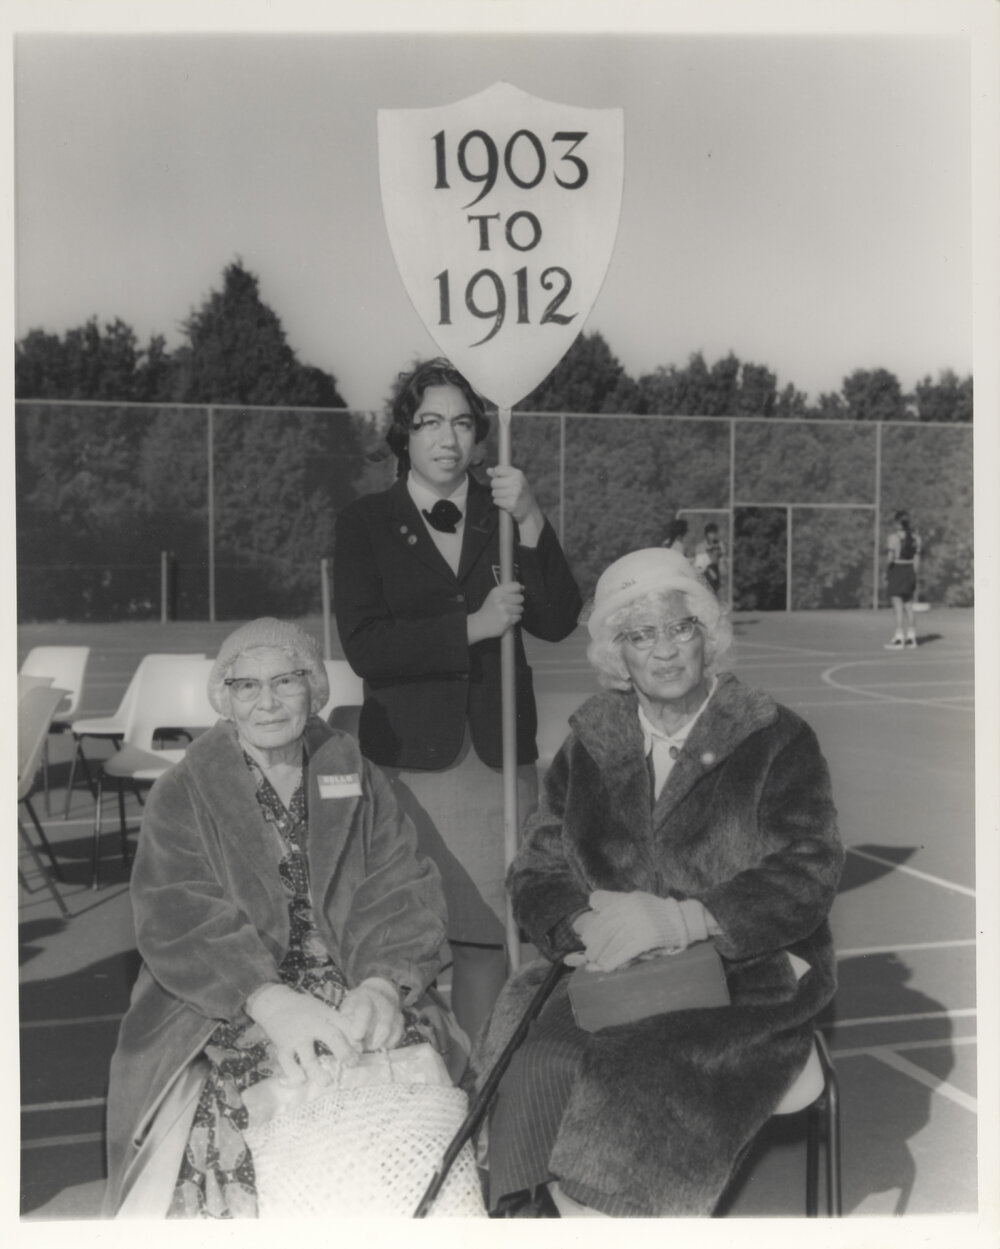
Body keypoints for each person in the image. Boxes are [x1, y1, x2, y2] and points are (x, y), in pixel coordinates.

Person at [476, 548, 844, 1217]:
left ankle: (596, 1214)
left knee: (631, 1076)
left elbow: (808, 870)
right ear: (618, 654)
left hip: (747, 973)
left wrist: (683, 921)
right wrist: (582, 925)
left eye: (681, 628)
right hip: (609, 970)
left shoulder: (773, 736)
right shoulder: (591, 740)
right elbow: (536, 867)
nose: (666, 651)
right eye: (642, 635)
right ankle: (518, 1211)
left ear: (709, 635)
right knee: (530, 1061)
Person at [103, 618, 457, 1218]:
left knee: (405, 1067)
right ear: (226, 698)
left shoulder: (354, 773)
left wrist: (380, 985)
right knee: (254, 1081)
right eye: (246, 686)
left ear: (313, 690)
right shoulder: (184, 790)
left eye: (286, 682)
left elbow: (399, 885)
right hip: (223, 994)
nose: (266, 702)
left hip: (350, 976)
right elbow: (178, 917)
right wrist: (271, 1002)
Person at [333, 358, 582, 1042]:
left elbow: (558, 618)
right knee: (396, 949)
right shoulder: (364, 524)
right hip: (407, 763)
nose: (448, 438)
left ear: (479, 436)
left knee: (486, 943)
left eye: (463, 422)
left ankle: (482, 1102)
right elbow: (366, 647)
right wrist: (472, 625)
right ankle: (415, 1100)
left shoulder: (504, 515)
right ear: (404, 436)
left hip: (495, 759)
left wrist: (530, 517)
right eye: (430, 422)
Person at [884, 509, 922, 649]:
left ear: (897, 522)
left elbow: (890, 559)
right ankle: (912, 638)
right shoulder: (916, 538)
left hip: (897, 569)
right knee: (909, 606)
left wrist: (887, 572)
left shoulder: (893, 538)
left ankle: (899, 638)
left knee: (898, 606)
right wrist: (913, 575)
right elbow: (917, 559)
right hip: (910, 570)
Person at [692, 521, 725, 595]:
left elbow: (721, 559)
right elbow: (698, 563)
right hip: (704, 573)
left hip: (715, 572)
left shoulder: (719, 545)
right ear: (706, 534)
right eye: (711, 533)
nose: (713, 536)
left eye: (714, 533)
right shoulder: (700, 546)